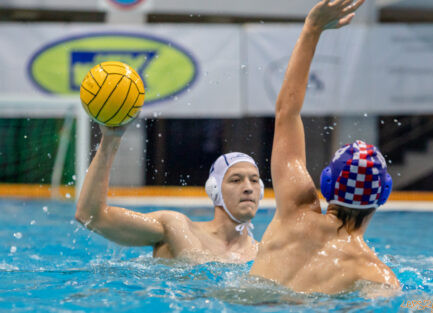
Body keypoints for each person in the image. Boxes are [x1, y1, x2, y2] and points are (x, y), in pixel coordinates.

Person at [250, 0, 400, 294]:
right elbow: (425, 307)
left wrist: (312, 29)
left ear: (327, 183)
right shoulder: (374, 274)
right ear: (384, 193)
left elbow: (286, 113)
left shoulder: (295, 209)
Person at [75, 125, 263, 264]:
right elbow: (91, 216)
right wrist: (110, 140)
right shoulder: (176, 227)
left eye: (254, 180)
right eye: (236, 180)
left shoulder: (263, 253)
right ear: (214, 189)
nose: (248, 188)